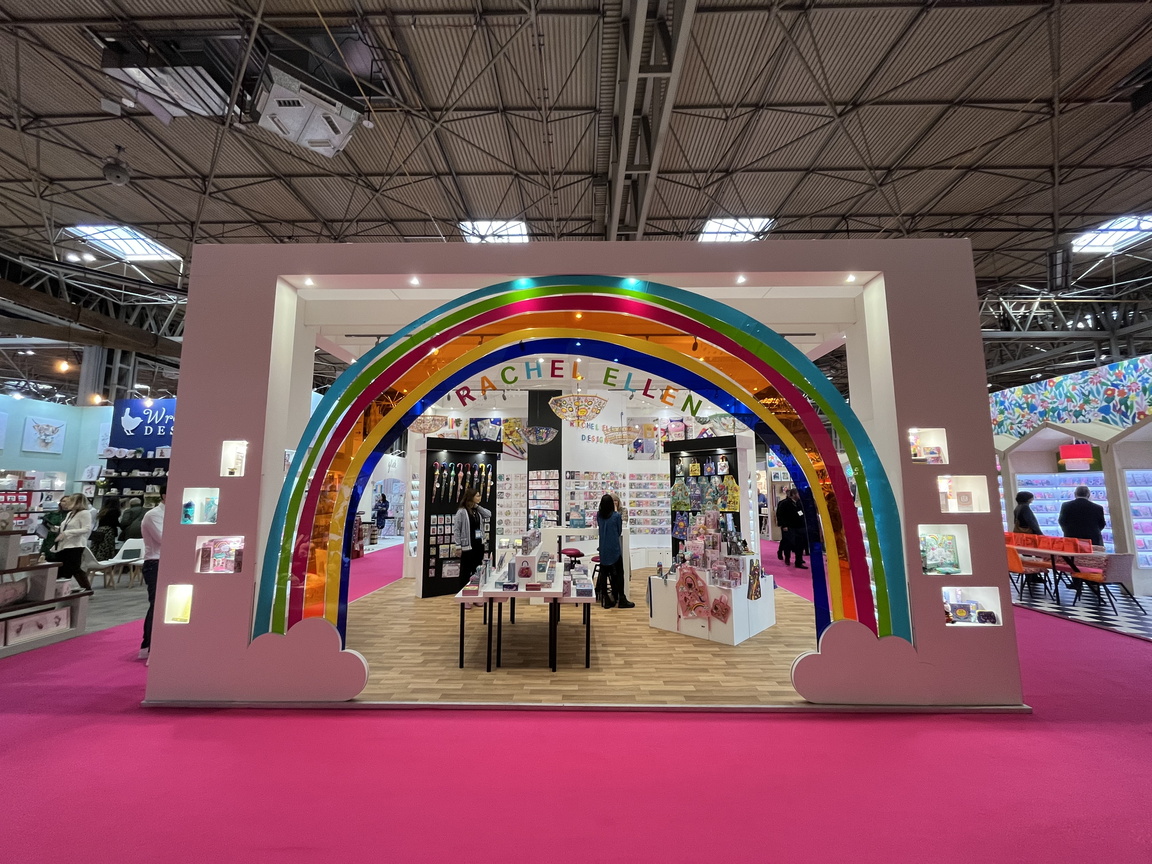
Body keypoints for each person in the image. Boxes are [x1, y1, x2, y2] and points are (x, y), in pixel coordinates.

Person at [139, 486, 166, 660]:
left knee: (163, 605)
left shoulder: (170, 514)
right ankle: (148, 645)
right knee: (157, 604)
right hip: (155, 563)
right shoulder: (154, 515)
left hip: (167, 562)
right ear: (164, 496)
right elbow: (163, 538)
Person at [596, 493, 633, 608]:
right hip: (614, 548)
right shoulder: (616, 516)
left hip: (603, 548)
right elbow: (619, 531)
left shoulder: (599, 515)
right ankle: (621, 598)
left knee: (604, 574)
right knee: (619, 574)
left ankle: (606, 599)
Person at [452, 486, 491, 582]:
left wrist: (477, 506)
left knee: (477, 569)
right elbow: (457, 529)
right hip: (468, 547)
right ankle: (463, 588)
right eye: (477, 496)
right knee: (465, 571)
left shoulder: (477, 510)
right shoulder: (462, 511)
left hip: (478, 544)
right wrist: (458, 546)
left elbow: (488, 514)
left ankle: (476, 586)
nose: (480, 497)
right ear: (471, 497)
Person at [55, 493, 94, 591]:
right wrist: (57, 529)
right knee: (66, 568)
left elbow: (86, 529)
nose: (66, 503)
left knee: (73, 568)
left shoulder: (85, 513)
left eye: (70, 501)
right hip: (65, 544)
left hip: (76, 545)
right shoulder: (70, 514)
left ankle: (86, 589)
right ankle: (62, 588)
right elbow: (67, 526)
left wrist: (67, 533)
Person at [775, 488, 808, 569]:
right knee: (789, 543)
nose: (799, 495)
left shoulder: (800, 503)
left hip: (800, 527)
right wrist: (784, 525)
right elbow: (780, 515)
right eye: (797, 494)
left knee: (800, 545)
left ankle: (799, 561)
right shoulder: (784, 503)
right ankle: (787, 557)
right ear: (793, 495)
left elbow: (802, 513)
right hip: (789, 527)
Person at [39, 495, 72, 563]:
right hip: (50, 539)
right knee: (47, 559)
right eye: (63, 501)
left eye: (68, 501)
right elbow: (45, 524)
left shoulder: (73, 515)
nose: (65, 503)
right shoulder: (53, 514)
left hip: (65, 540)